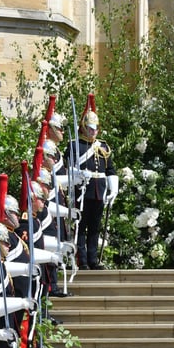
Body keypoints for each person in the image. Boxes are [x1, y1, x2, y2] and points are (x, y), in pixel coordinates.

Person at [66, 94, 118, 269]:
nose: (93, 131)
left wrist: (113, 190)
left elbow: (110, 170)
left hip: (99, 191)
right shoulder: (74, 145)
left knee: (95, 228)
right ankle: (83, 261)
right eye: (89, 128)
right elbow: (67, 169)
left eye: (95, 128)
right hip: (82, 191)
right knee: (81, 227)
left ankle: (93, 259)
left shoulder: (103, 146)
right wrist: (79, 173)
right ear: (83, 127)